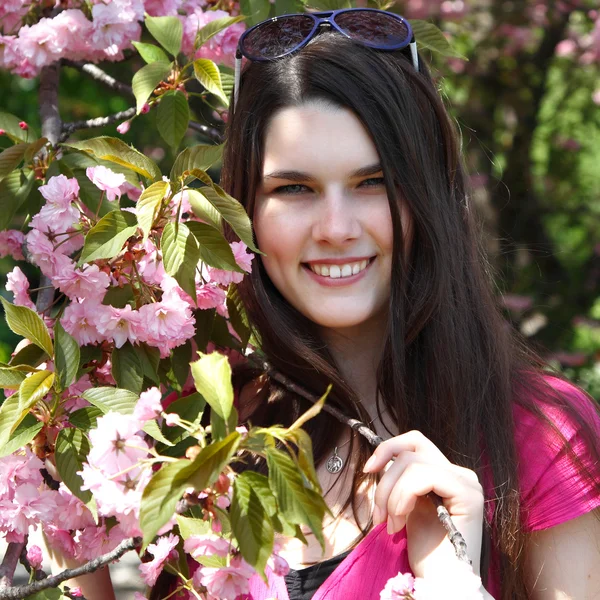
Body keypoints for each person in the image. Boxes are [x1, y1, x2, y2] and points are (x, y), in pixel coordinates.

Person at [215, 8, 600, 600]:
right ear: (245, 209)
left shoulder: (539, 439)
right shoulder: (200, 421)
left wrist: (453, 582)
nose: (337, 228)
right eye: (294, 188)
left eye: (373, 183)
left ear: (425, 198)